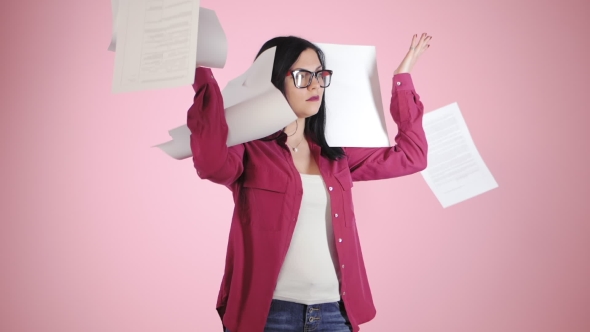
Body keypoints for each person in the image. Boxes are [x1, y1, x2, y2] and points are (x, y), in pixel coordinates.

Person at [187, 33, 431, 332]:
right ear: (274, 80)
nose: (315, 85)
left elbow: (412, 156)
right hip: (268, 315)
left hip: (334, 314)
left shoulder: (336, 155)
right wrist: (202, 76)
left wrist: (401, 80)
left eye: (320, 75)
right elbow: (211, 164)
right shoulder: (249, 149)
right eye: (303, 76)